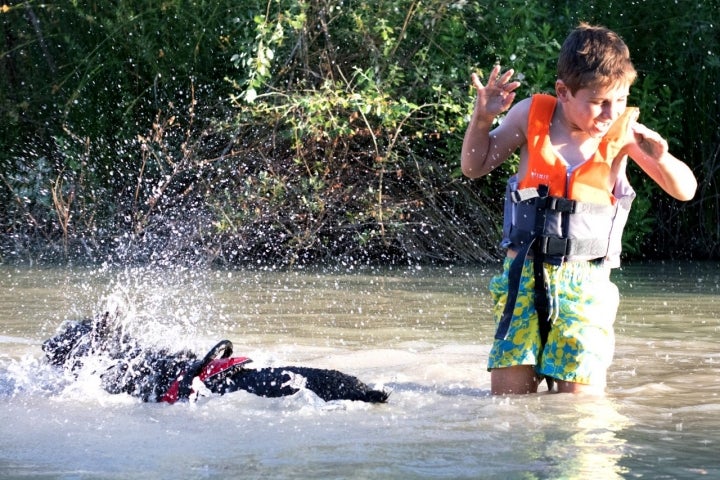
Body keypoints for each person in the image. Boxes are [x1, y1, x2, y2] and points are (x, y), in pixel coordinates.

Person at [460, 23, 697, 395]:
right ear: (563, 92)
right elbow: (475, 165)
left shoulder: (624, 133)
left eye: (620, 100)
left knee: (579, 410)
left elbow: (685, 190)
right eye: (599, 101)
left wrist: (663, 160)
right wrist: (483, 119)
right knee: (508, 403)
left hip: (585, 286)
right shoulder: (529, 115)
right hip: (521, 276)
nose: (610, 113)